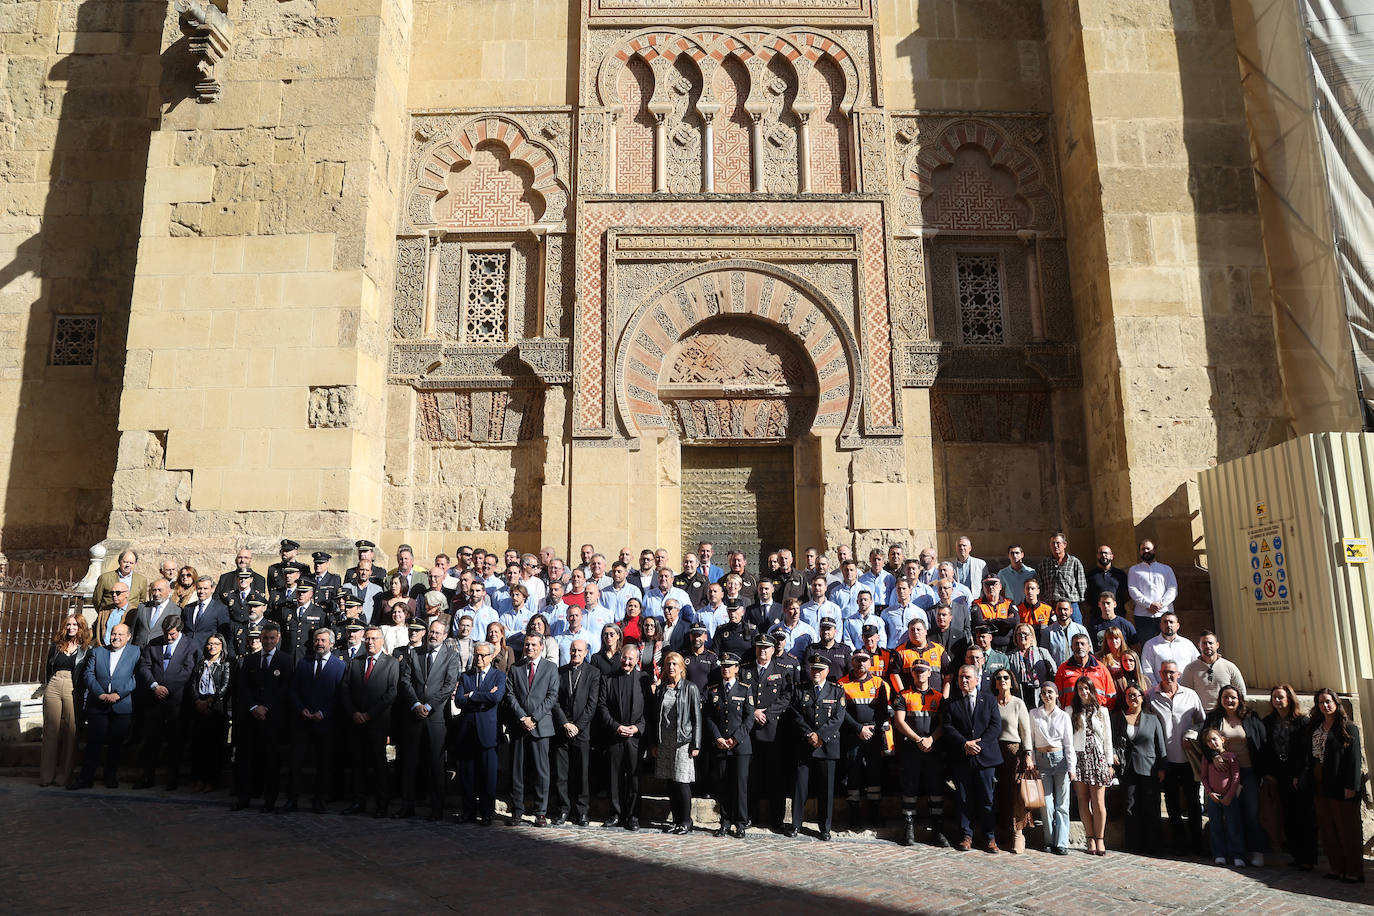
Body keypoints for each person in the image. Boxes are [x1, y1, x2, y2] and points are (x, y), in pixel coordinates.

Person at [395, 619, 460, 821]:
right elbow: (405, 680)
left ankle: (436, 808)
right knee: (409, 762)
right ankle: (407, 806)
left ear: (444, 636)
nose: (433, 635)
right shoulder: (415, 653)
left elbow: (449, 685)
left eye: (437, 633)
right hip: (414, 716)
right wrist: (416, 704)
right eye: (431, 632)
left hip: (436, 717)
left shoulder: (451, 656)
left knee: (436, 763)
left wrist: (429, 706)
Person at [1303, 687, 1364, 883]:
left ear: (1336, 703)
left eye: (1328, 701)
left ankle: (1354, 870)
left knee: (1347, 828)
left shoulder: (1348, 728)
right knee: (1328, 826)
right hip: (1320, 781)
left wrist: (1351, 786)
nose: (1325, 705)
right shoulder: (1315, 727)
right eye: (1321, 702)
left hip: (1341, 783)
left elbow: (1355, 760)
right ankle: (1337, 868)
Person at [1202, 685, 1269, 865]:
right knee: (1227, 814)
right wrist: (1214, 756)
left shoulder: (1250, 717)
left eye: (1233, 697)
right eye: (1225, 697)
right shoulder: (1214, 718)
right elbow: (1205, 742)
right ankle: (1228, 852)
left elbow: (1262, 743)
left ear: (1239, 699)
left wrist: (1263, 771)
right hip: (1222, 773)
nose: (1229, 701)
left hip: (1247, 771)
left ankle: (1255, 849)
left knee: (1251, 811)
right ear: (1220, 699)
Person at [339, 626, 400, 817]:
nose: (370, 642)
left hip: (377, 722)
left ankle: (382, 804)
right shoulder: (355, 662)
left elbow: (391, 693)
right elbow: (345, 689)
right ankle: (358, 801)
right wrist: (354, 712)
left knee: (379, 763)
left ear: (382, 640)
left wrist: (370, 714)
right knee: (358, 763)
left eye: (374, 639)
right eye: (367, 639)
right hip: (356, 722)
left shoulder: (391, 663)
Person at [135, 614, 200, 790]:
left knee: (175, 742)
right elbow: (144, 666)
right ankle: (148, 777)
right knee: (151, 741)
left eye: (172, 634)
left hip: (176, 701)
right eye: (166, 634)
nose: (168, 638)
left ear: (179, 630)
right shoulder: (154, 643)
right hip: (154, 699)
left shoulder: (190, 645)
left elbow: (187, 670)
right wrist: (155, 686)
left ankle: (172, 779)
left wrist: (168, 688)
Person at [233, 622, 293, 812]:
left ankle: (269, 801)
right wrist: (253, 706)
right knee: (246, 760)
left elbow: (285, 689)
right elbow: (243, 687)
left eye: (272, 638)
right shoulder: (250, 660)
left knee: (270, 761)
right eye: (265, 638)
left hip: (272, 719)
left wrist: (266, 707)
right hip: (250, 718)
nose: (268, 641)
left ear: (278, 639)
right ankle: (244, 798)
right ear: (260, 638)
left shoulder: (285, 660)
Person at [943, 664, 1003, 852]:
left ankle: (990, 837)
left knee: (987, 799)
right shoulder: (950, 702)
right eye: (961, 676)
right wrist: (964, 744)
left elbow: (995, 726)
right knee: (962, 798)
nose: (964, 680)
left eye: (968, 677)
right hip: (962, 757)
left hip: (985, 757)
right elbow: (948, 727)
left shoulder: (990, 700)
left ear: (977, 680)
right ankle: (966, 835)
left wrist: (979, 745)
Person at [71, 623, 138, 790]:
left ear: (128, 637)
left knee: (116, 745)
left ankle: (110, 777)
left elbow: (136, 677)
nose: (116, 637)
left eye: (120, 635)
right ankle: (86, 778)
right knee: (93, 743)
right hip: (98, 705)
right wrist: (100, 694)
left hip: (121, 705)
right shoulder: (98, 651)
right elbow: (88, 674)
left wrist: (118, 694)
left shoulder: (136, 652)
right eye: (114, 634)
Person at [1148, 660, 1206, 853]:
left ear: (1179, 674)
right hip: (1166, 760)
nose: (1169, 676)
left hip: (1188, 759)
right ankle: (1179, 842)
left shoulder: (1190, 695)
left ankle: (1197, 842)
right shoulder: (1151, 696)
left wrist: (1192, 734)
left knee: (1193, 802)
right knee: (1172, 803)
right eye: (1165, 672)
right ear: (1159, 673)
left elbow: (1201, 722)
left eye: (1172, 672)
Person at [503, 631, 560, 826]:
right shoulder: (516, 668)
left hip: (540, 726)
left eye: (534, 645)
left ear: (541, 647)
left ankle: (541, 811)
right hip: (519, 726)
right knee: (517, 770)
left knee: (541, 771)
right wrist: (522, 717)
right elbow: (509, 694)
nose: (529, 648)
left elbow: (552, 697)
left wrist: (534, 718)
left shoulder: (551, 668)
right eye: (527, 644)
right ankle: (517, 811)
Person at [286, 627, 345, 814]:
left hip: (325, 723)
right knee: (295, 763)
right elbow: (293, 689)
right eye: (317, 640)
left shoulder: (340, 666)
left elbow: (340, 695)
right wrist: (300, 708)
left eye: (323, 641)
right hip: (302, 722)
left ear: (332, 644)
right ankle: (291, 800)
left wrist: (323, 713)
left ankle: (319, 800)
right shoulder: (304, 662)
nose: (319, 644)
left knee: (323, 764)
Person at [786, 656, 846, 840]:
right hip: (805, 745)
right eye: (813, 669)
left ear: (827, 671)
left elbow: (839, 717)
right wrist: (809, 734)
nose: (816, 673)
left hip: (827, 746)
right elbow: (795, 714)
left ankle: (825, 828)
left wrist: (821, 736)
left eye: (820, 670)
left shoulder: (836, 691)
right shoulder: (800, 690)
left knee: (826, 790)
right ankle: (796, 824)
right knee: (799, 787)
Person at [741, 633, 792, 832]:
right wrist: (752, 712)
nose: (763, 650)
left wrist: (768, 713)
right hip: (750, 730)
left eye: (767, 647)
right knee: (751, 776)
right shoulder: (745, 671)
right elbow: (739, 693)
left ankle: (776, 819)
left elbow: (787, 696)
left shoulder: (781, 671)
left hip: (773, 732)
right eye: (760, 647)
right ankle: (748, 816)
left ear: (773, 650)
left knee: (775, 777)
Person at [891, 660, 946, 846]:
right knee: (909, 789)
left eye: (923, 671)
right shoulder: (902, 696)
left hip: (934, 749)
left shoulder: (939, 697)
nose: (920, 674)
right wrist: (918, 740)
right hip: (911, 749)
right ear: (912, 674)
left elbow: (943, 724)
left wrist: (931, 739)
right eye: (916, 671)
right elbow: (899, 722)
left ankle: (938, 831)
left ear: (930, 673)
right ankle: (908, 830)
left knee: (936, 789)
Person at [1261, 685, 1315, 869]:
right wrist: (1269, 773)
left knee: (1303, 816)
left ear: (1289, 699)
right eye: (1274, 697)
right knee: (1287, 816)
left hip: (1298, 775)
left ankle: (1307, 857)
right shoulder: (1268, 721)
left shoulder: (1302, 722)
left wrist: (1298, 774)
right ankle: (1296, 855)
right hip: (1279, 775)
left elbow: (1305, 751)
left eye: (1281, 697)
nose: (1277, 701)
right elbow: (1265, 749)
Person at [452, 641, 506, 825]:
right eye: (477, 654)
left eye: (483, 655)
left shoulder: (498, 676)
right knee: (467, 775)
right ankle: (468, 811)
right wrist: (482, 695)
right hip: (467, 731)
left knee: (488, 776)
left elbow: (496, 697)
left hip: (488, 731)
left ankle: (487, 812)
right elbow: (459, 701)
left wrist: (472, 695)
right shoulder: (465, 676)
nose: (479, 658)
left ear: (491, 656)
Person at [650, 651, 703, 835]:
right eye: (668, 664)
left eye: (674, 664)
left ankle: (686, 821)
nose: (671, 667)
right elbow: (655, 717)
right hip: (665, 741)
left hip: (682, 741)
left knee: (682, 781)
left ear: (681, 667)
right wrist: (655, 742)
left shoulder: (690, 688)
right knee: (670, 782)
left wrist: (696, 744)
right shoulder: (662, 689)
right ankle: (676, 820)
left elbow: (696, 718)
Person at [598, 643, 649, 830]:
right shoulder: (609, 679)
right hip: (615, 735)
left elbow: (649, 711)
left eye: (630, 659)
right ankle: (615, 814)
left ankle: (633, 816)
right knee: (614, 777)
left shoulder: (644, 679)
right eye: (624, 658)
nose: (626, 661)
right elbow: (602, 707)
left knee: (634, 779)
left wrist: (637, 728)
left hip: (635, 737)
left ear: (637, 660)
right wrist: (615, 726)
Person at [1112, 683, 1167, 853]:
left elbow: (1160, 744)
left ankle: (1154, 845)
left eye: (1136, 695)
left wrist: (1162, 767)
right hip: (1127, 768)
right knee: (1130, 806)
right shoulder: (1118, 717)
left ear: (1142, 698)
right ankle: (1134, 845)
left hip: (1149, 767)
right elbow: (1113, 741)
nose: (1132, 698)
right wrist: (1113, 755)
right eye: (1129, 695)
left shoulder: (1152, 718)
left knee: (1151, 806)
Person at [551, 638, 600, 826]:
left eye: (579, 651)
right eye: (573, 650)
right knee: (561, 774)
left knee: (582, 774)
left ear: (586, 652)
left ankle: (582, 812)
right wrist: (564, 723)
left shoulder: (593, 673)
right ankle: (563, 809)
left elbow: (592, 704)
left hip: (582, 730)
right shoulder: (560, 672)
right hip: (562, 729)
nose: (575, 654)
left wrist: (578, 726)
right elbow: (554, 700)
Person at [839, 651, 889, 832]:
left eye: (864, 660)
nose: (861, 663)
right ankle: (854, 814)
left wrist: (871, 729)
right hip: (853, 736)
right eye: (857, 660)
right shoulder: (842, 683)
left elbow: (883, 710)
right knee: (853, 773)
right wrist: (858, 729)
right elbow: (841, 712)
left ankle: (875, 813)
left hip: (873, 736)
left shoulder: (879, 683)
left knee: (874, 773)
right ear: (852, 661)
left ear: (870, 662)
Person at [705, 652, 753, 838]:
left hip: (740, 746)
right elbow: (708, 717)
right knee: (722, 785)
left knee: (740, 786)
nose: (726, 668)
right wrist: (717, 737)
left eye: (729, 666)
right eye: (723, 665)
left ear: (736, 668)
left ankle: (740, 823)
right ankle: (725, 821)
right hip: (721, 745)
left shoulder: (744, 689)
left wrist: (736, 739)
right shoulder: (714, 690)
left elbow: (749, 717)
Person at [39, 613, 90, 788]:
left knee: (71, 731)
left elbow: (85, 674)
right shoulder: (56, 646)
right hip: (54, 684)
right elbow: (48, 668)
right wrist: (47, 686)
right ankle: (46, 776)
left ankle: (64, 776)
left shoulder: (86, 649)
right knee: (50, 730)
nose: (71, 628)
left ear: (81, 627)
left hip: (72, 687)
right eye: (68, 625)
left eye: (75, 625)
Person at [991, 668, 1034, 853]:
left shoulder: (1018, 703)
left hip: (1014, 752)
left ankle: (1018, 834)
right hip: (994, 751)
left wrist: (1028, 753)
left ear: (1011, 681)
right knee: (999, 793)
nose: (1002, 680)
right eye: (998, 678)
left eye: (1006, 677)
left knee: (1016, 793)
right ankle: (1002, 832)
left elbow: (1025, 731)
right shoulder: (990, 702)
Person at [1070, 675, 1114, 855]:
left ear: (1092, 690)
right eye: (1080, 689)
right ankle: (1090, 839)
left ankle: (1100, 838)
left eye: (1086, 688)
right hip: (1080, 757)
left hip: (1097, 757)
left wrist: (1110, 762)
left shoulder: (1102, 711)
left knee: (1098, 802)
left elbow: (1108, 738)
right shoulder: (1071, 710)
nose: (1084, 692)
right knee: (1082, 800)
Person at [1030, 681, 1073, 855]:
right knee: (1046, 804)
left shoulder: (1063, 716)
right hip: (1041, 761)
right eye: (1043, 693)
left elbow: (1068, 744)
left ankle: (1061, 842)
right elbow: (1031, 741)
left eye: (1050, 692)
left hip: (1060, 759)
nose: (1046, 696)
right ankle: (1048, 840)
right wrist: (1032, 761)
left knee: (1062, 804)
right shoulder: (1034, 714)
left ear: (1056, 694)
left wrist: (1072, 767)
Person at [1200, 727, 1247, 867]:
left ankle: (1237, 854)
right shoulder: (1206, 759)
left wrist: (1229, 796)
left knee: (1234, 825)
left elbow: (1236, 777)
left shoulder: (1231, 757)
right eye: (1209, 741)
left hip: (1229, 798)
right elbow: (1203, 777)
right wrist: (1209, 792)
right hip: (1214, 797)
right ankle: (1219, 853)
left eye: (1214, 739)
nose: (1213, 743)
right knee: (1216, 826)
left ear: (1222, 739)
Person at [1181, 631, 1247, 711]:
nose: (1208, 646)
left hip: (1225, 713)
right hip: (1201, 715)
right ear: (1199, 646)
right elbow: (1185, 695)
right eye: (1204, 643)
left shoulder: (1230, 667)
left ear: (1217, 645)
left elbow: (1241, 692)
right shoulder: (1190, 669)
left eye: (1210, 643)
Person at [1127, 539, 1176, 644]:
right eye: (1142, 549)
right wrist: (1149, 604)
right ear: (1139, 552)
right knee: (1146, 645)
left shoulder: (1166, 569)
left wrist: (1160, 604)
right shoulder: (1134, 570)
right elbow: (1133, 589)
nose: (1145, 551)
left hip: (1164, 614)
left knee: (1167, 643)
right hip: (1143, 616)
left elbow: (1172, 589)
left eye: (1148, 548)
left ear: (1154, 550)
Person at [1055, 633, 1117, 709]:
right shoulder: (1063, 669)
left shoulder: (1101, 668)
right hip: (1072, 714)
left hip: (1097, 713)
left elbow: (1111, 695)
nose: (1080, 647)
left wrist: (1104, 712)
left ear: (1089, 647)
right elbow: (1057, 696)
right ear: (1071, 648)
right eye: (1076, 644)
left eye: (1082, 644)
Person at [1004, 623, 1055, 708]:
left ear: (1031, 636)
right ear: (1015, 637)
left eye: (1025, 634)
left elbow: (1054, 672)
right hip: (1020, 695)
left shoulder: (1042, 652)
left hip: (1040, 694)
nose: (1022, 636)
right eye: (1019, 634)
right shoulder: (1009, 656)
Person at [93, 549, 148, 615]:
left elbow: (142, 601)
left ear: (135, 564)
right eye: (125, 562)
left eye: (131, 563)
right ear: (119, 562)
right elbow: (97, 600)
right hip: (109, 616)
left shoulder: (142, 580)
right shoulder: (105, 578)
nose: (128, 565)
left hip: (131, 617)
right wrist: (103, 615)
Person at [182, 576, 228, 653]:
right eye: (199, 588)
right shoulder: (188, 608)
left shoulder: (220, 609)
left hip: (206, 652)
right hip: (187, 651)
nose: (202, 591)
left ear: (212, 589)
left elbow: (223, 634)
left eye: (205, 588)